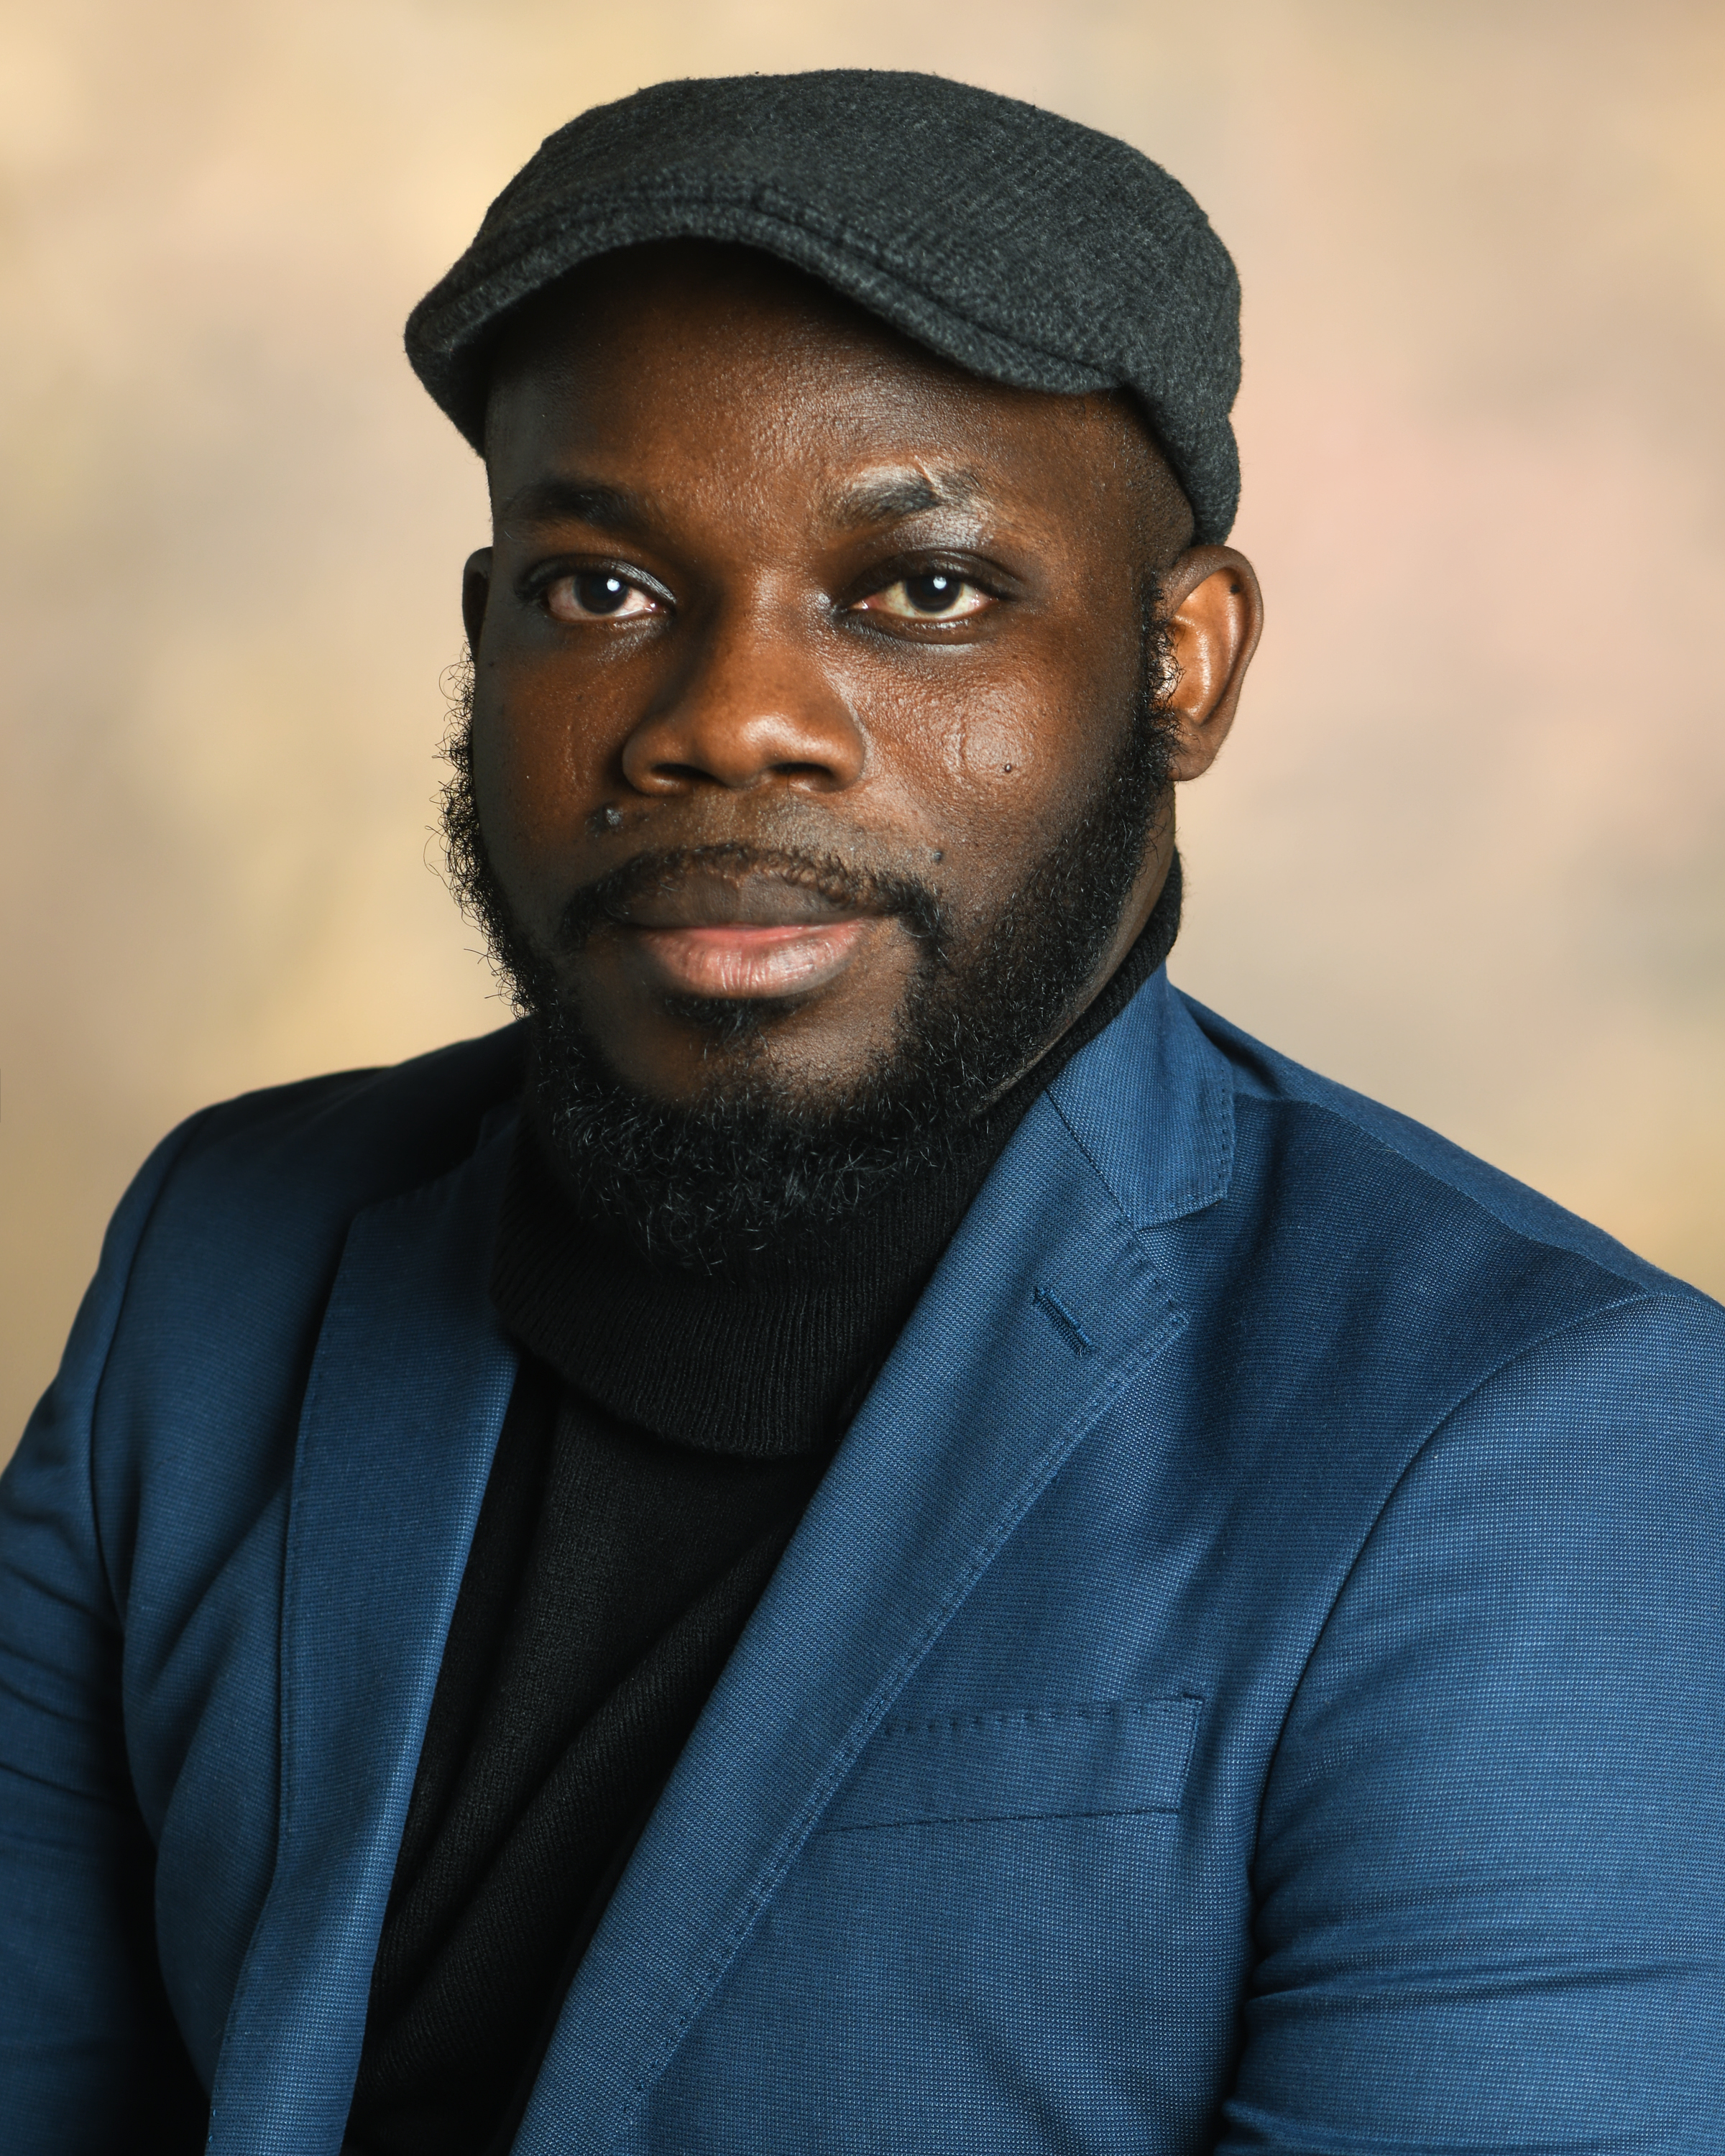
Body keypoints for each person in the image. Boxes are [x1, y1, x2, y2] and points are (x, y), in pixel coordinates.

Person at [2, 68, 1721, 2156]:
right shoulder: (222, 1254)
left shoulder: (1535, 1440)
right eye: (600, 590)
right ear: (484, 637)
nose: (730, 722)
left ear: (1183, 665)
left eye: (923, 593)